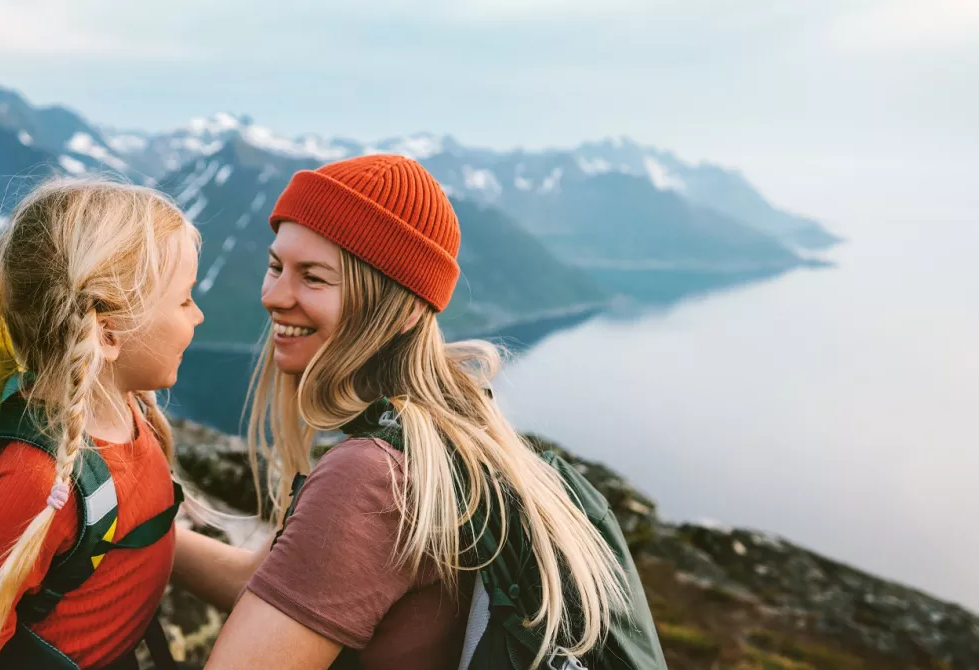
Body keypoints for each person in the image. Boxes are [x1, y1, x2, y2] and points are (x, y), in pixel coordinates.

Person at [173, 154, 653, 669]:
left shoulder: (371, 478)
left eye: (312, 277)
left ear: (400, 310)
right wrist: (136, 534)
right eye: (275, 266)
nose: (273, 295)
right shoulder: (450, 431)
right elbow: (281, 585)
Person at [0, 178, 204, 670]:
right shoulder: (36, 479)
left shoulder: (128, 408)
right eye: (185, 300)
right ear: (108, 332)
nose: (199, 315)